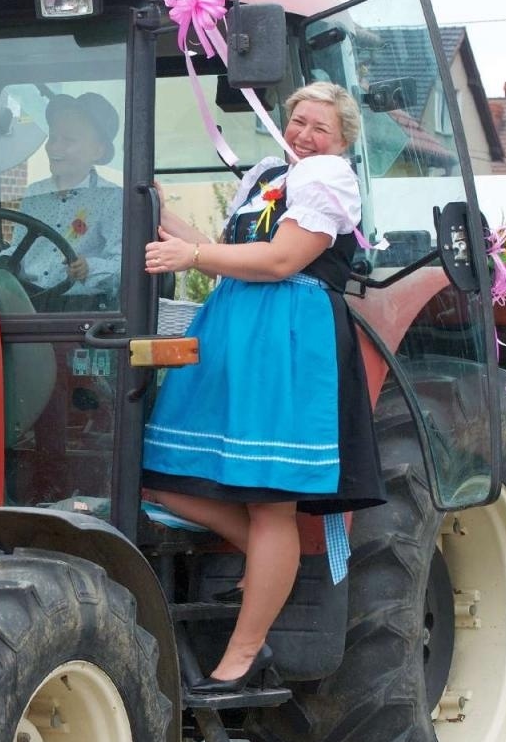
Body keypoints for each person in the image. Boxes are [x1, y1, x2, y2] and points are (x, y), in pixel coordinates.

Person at [141, 81, 384, 694]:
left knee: (269, 499)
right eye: (298, 121)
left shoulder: (328, 179)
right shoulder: (270, 176)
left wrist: (193, 258)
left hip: (286, 338)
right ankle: (269, 559)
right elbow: (222, 252)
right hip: (236, 332)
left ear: (342, 141)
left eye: (320, 127)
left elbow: (279, 261)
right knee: (160, 475)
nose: (305, 134)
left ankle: (244, 652)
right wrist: (156, 207)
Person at [8, 92, 123, 306]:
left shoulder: (111, 198)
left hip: (81, 308)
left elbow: (124, 266)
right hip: (28, 303)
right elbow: (16, 252)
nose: (54, 147)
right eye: (53, 138)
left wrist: (90, 268)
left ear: (97, 150)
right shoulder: (35, 194)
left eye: (68, 140)